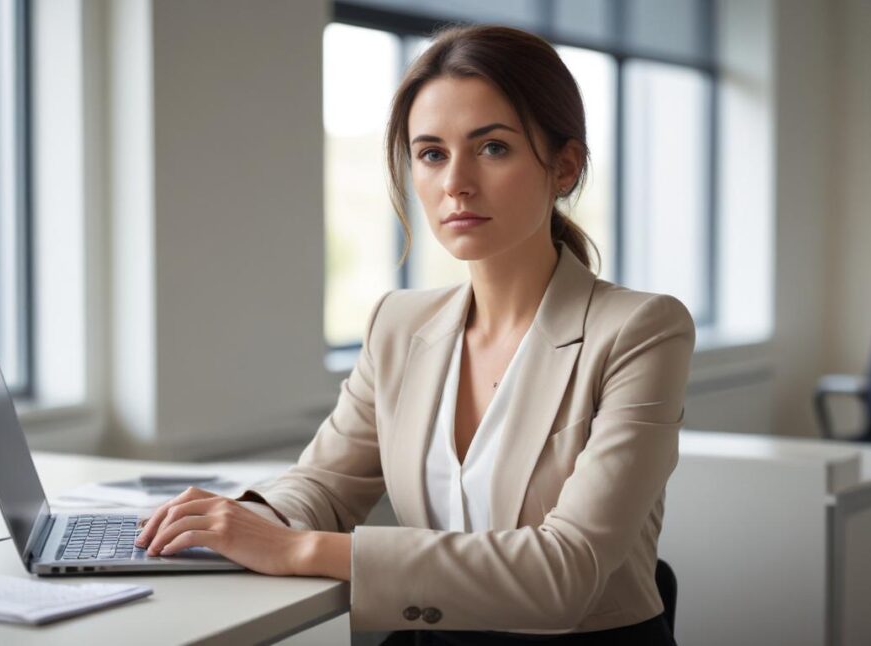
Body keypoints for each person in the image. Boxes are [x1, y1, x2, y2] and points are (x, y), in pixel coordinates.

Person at [135, 24, 694, 645]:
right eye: (431, 153)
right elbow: (325, 482)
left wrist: (296, 550)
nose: (455, 182)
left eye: (492, 148)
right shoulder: (398, 325)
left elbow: (564, 572)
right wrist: (240, 520)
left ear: (564, 166)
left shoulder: (641, 330)